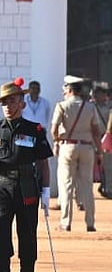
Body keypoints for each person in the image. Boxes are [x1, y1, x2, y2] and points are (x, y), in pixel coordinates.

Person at [0, 78, 52, 272]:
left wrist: (46, 191)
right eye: (4, 103)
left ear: (22, 103)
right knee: (1, 229)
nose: (7, 107)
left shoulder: (34, 130)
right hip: (1, 185)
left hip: (27, 186)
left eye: (12, 102)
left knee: (27, 233)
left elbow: (43, 162)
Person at [50, 75, 100, 233]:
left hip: (68, 146)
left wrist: (58, 141)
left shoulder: (62, 106)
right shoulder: (90, 107)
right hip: (87, 147)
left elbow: (54, 129)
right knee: (87, 186)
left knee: (66, 186)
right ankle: (90, 223)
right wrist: (98, 150)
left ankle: (66, 222)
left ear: (69, 90)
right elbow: (96, 131)